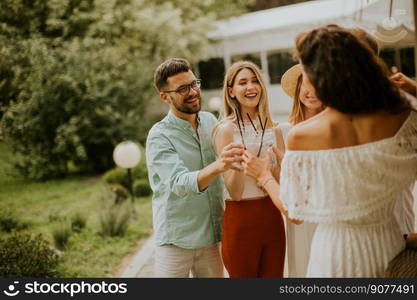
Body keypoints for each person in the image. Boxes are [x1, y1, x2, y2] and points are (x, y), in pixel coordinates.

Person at [243, 25, 416, 277]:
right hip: (391, 245)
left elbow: (294, 212)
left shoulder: (304, 135)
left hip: (338, 256)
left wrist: (265, 177)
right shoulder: (403, 113)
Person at [146, 58, 244, 278]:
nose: (192, 92)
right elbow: (178, 183)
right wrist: (219, 165)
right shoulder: (159, 136)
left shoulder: (211, 121)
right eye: (182, 88)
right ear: (165, 97)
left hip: (211, 237)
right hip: (176, 241)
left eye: (194, 84)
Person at [212, 60, 288, 278]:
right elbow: (234, 192)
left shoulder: (276, 130)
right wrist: (243, 163)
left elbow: (280, 185)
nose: (250, 87)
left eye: (255, 81)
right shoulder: (226, 130)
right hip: (241, 220)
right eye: (242, 82)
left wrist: (271, 172)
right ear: (231, 91)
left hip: (272, 217)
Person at [279, 63, 324, 277]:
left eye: (316, 84)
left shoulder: (335, 127)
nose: (309, 91)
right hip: (297, 216)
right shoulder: (284, 131)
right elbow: (283, 186)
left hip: (328, 215)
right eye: (304, 85)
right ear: (297, 90)